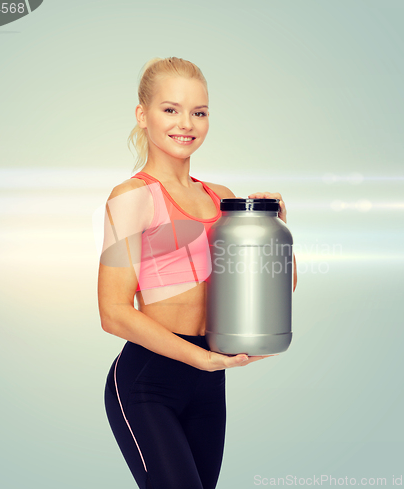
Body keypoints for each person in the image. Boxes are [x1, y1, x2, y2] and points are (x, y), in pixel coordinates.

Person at [99, 56, 298, 489]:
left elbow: (279, 288)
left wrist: (275, 225)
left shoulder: (223, 199)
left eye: (199, 112)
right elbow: (113, 312)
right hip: (147, 381)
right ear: (143, 115)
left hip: (208, 383)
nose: (186, 123)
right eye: (170, 109)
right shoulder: (131, 198)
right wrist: (201, 358)